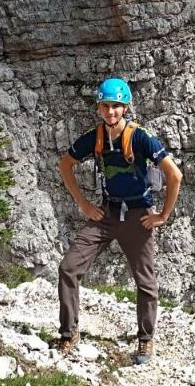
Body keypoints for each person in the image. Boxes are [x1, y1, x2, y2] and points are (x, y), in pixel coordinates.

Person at [56, 77, 182, 364]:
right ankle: (68, 333)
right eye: (105, 106)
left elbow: (174, 175)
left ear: (125, 107)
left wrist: (162, 216)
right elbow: (65, 164)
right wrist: (84, 205)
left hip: (139, 216)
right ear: (99, 107)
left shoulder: (140, 137)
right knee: (68, 267)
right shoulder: (95, 136)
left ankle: (145, 340)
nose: (110, 111)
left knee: (145, 282)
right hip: (107, 212)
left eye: (116, 106)